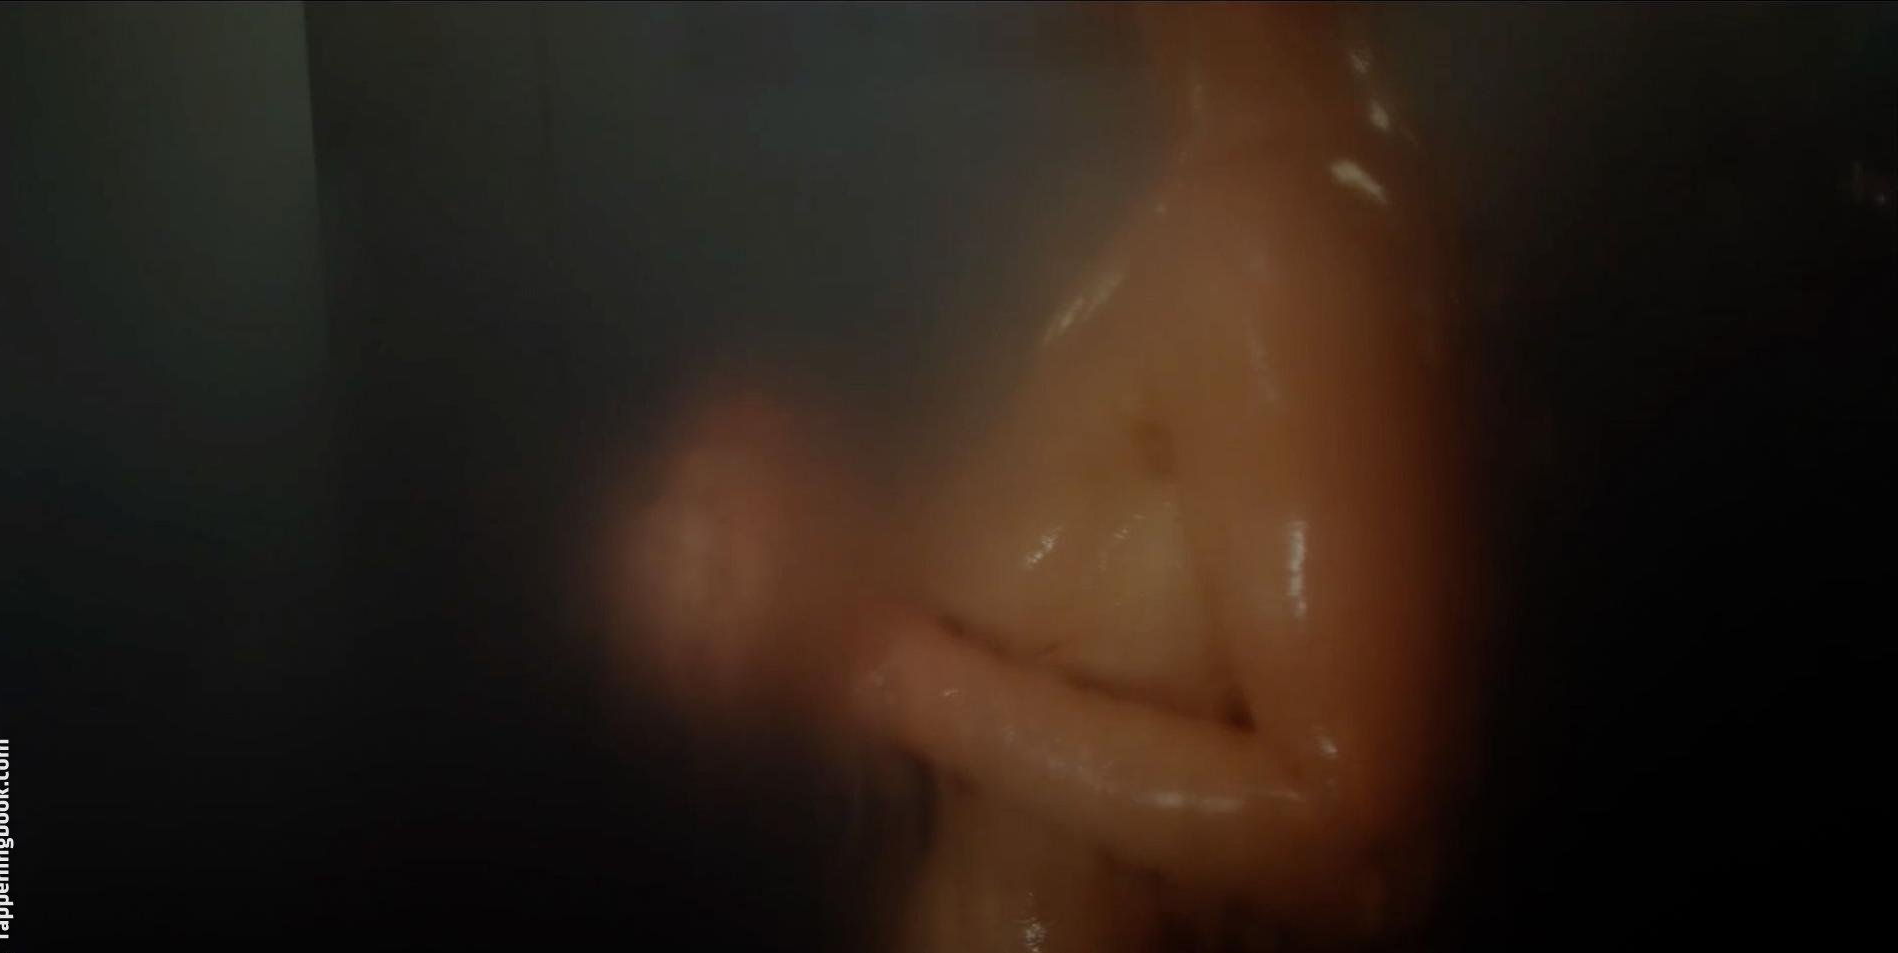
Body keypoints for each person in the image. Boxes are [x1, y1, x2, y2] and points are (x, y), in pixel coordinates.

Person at [611, 6, 1477, 950]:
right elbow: (1090, 620)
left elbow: (1362, 852)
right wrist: (806, 566)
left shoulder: (1266, 237)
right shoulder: (1136, 206)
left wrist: (874, 661)